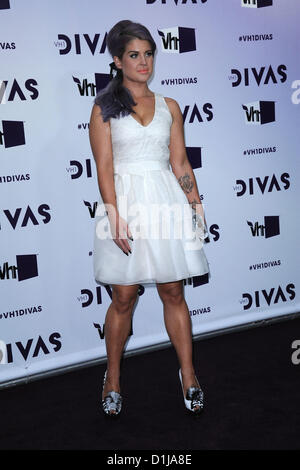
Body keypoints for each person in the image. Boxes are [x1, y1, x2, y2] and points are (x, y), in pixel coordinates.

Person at [89, 20, 211, 417]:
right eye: (134, 55)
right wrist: (113, 214)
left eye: (149, 54)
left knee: (173, 291)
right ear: (117, 60)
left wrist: (196, 204)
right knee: (123, 296)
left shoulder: (170, 106)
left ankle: (188, 374)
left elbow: (179, 162)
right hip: (123, 206)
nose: (143, 62)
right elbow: (104, 168)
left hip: (165, 204)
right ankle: (112, 377)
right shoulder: (104, 108)